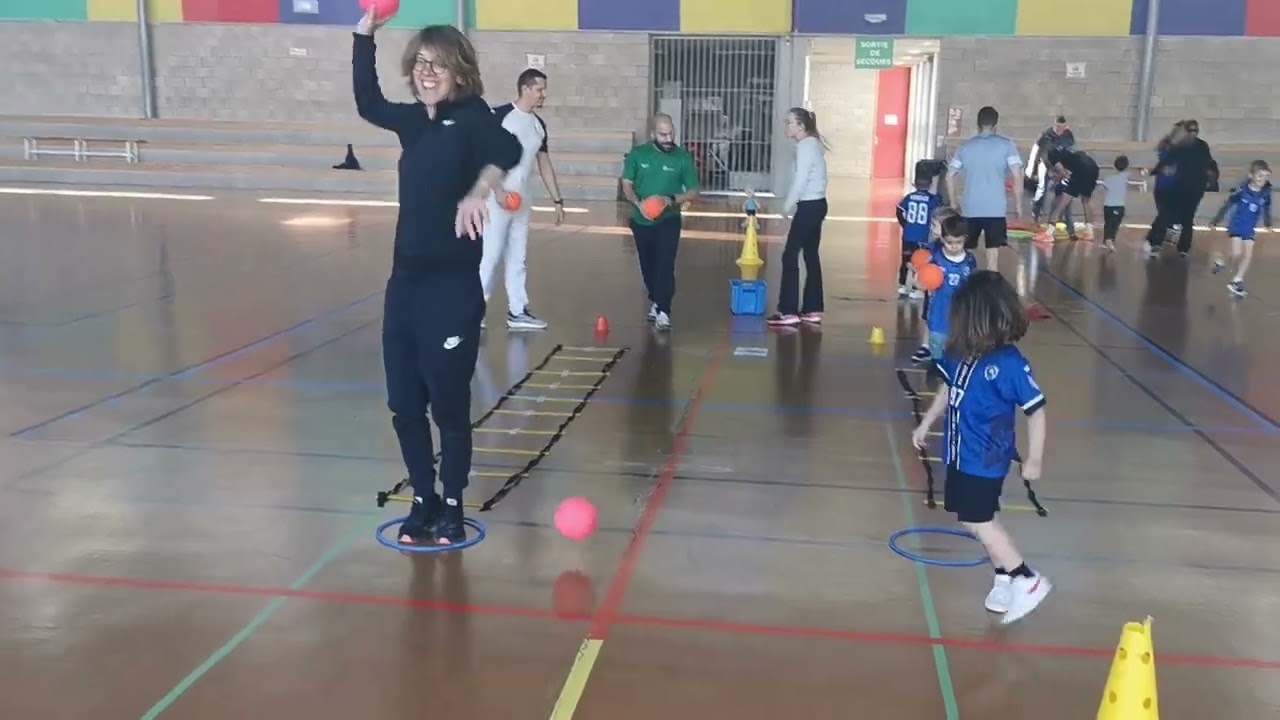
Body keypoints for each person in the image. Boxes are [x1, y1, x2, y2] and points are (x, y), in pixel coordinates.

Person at [353, 8, 521, 545]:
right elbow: (367, 102)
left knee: (448, 404)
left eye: (438, 64)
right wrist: (364, 33)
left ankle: (451, 503)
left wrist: (478, 191)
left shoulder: (472, 116)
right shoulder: (413, 122)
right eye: (421, 63)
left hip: (452, 289)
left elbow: (508, 149)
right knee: (404, 404)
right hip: (404, 284)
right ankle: (423, 498)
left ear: (459, 71)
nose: (427, 73)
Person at [911, 270, 1051, 624]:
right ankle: (1004, 578)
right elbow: (948, 389)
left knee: (978, 519)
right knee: (976, 518)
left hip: (985, 458)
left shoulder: (1010, 364)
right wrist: (927, 423)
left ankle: (1026, 579)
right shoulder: (961, 354)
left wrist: (1034, 459)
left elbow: (1036, 410)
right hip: (958, 454)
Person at [480, 68, 566, 332]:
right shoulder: (500, 116)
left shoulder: (539, 125)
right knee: (490, 255)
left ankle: (518, 311)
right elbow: (483, 157)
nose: (544, 94)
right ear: (525, 88)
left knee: (518, 257)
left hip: (523, 201)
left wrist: (557, 201)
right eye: (540, 89)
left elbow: (544, 163)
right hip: (497, 199)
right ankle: (475, 311)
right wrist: (498, 191)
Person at [620, 113, 700, 331]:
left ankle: (664, 310)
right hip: (641, 220)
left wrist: (670, 200)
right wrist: (639, 205)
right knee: (648, 266)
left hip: (669, 219)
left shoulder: (682, 157)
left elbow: (693, 190)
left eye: (671, 133)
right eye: (663, 134)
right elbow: (627, 185)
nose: (668, 138)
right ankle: (656, 300)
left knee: (665, 263)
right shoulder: (638, 155)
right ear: (653, 134)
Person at [767, 107, 829, 327]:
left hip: (809, 206)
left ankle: (788, 310)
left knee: (790, 254)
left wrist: (785, 207)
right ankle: (812, 308)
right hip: (818, 204)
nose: (786, 126)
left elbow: (801, 180)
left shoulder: (805, 146)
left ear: (801, 126)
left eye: (790, 122)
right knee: (810, 254)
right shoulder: (813, 144)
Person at [944, 106, 1023, 271]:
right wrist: (1018, 205)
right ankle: (991, 281)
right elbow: (1017, 175)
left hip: (970, 208)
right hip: (995, 208)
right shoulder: (1007, 145)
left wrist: (953, 202)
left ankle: (967, 279)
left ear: (977, 124)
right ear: (996, 125)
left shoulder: (965, 147)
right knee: (993, 252)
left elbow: (949, 176)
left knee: (966, 250)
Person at [1145, 119, 1215, 258]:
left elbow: (1209, 163)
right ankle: (1159, 243)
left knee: (1184, 218)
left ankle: (1180, 247)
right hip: (1182, 187)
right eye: (1190, 130)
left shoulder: (1200, 146)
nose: (1193, 133)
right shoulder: (1184, 146)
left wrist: (1211, 177)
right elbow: (1167, 161)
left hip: (1192, 187)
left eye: (1195, 131)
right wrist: (1157, 170)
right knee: (1170, 215)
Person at [1210, 160, 1272, 298]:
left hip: (1249, 228)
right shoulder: (1242, 191)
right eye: (1259, 176)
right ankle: (1222, 260)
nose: (1262, 180)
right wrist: (1217, 219)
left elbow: (1266, 209)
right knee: (1236, 253)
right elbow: (1228, 205)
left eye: (1265, 176)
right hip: (1237, 225)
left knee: (1248, 255)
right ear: (1251, 175)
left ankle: (1237, 280)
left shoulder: (1265, 193)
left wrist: (1268, 223)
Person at [922, 215, 978, 362]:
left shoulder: (970, 260)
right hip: (938, 314)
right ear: (942, 239)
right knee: (937, 353)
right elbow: (923, 279)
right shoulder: (936, 258)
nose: (954, 246)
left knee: (958, 355)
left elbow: (974, 285)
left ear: (965, 239)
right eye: (949, 242)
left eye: (959, 242)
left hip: (960, 316)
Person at [896, 173, 942, 299]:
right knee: (921, 261)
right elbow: (938, 214)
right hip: (923, 236)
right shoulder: (932, 200)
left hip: (908, 235)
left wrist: (904, 224)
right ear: (930, 185)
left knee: (906, 260)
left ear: (914, 184)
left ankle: (903, 285)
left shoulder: (909, 197)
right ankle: (917, 288)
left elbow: (899, 210)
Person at [1043, 146, 1100, 240]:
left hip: (1081, 170)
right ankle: (1090, 232)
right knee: (1086, 202)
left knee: (1062, 203)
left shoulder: (1053, 156)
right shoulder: (1069, 154)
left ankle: (1049, 233)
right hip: (1094, 169)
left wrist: (1054, 183)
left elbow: (1062, 173)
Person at [1026, 115, 1076, 222]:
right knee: (1042, 188)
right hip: (1046, 163)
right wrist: (1034, 169)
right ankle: (1036, 210)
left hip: (1061, 164)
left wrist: (1065, 169)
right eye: (1057, 127)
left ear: (1065, 127)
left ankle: (1060, 217)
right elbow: (1041, 154)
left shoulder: (1068, 136)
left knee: (1064, 189)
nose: (1058, 130)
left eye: (1061, 127)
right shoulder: (1046, 135)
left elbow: (1070, 152)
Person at [1099, 155, 1132, 251]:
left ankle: (1106, 241)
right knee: (1114, 224)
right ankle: (1109, 241)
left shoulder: (1109, 178)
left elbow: (1104, 187)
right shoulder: (1126, 176)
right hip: (1118, 205)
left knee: (1108, 223)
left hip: (1107, 205)